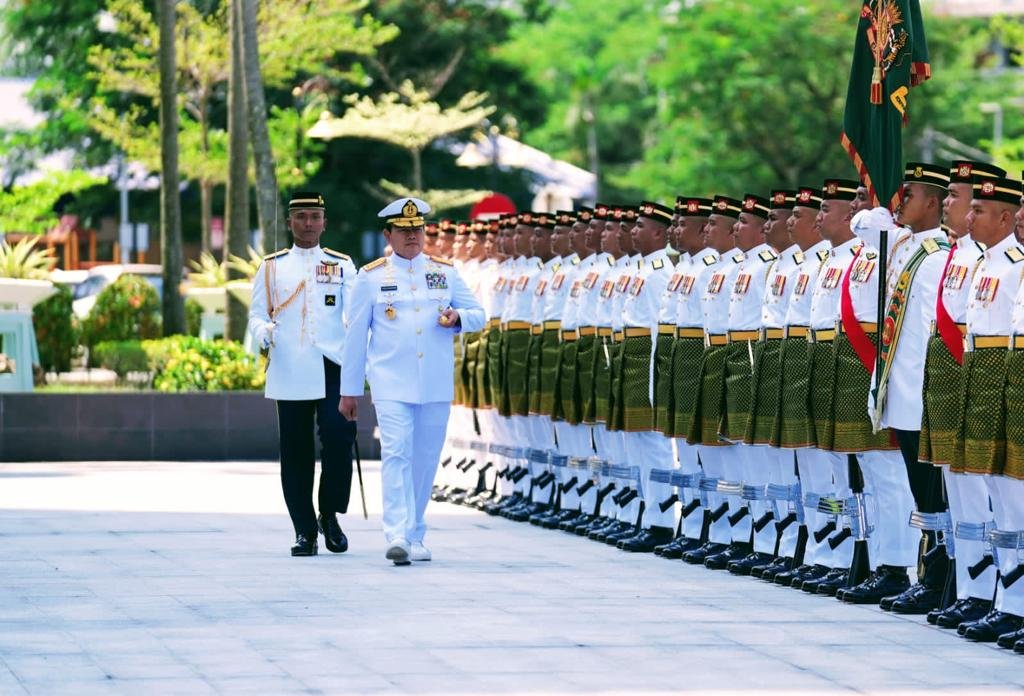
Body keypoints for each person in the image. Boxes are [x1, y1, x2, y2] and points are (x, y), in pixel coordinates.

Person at [339, 198, 485, 566]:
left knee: (425, 458)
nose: (412, 238)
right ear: (388, 235)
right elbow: (355, 336)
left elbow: (479, 314)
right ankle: (398, 534)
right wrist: (349, 390)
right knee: (397, 452)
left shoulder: (444, 272)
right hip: (391, 382)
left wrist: (458, 318)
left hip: (434, 381)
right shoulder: (370, 277)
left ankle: (416, 530)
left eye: (417, 230)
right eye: (404, 232)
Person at [247, 191, 358, 557]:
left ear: (325, 222)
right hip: (291, 364)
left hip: (331, 364)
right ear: (289, 222)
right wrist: (263, 333)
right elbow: (257, 315)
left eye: (315, 217)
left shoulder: (342, 265)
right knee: (295, 449)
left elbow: (356, 316)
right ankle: (304, 530)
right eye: (301, 217)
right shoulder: (272, 266)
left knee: (340, 437)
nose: (308, 224)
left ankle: (330, 513)